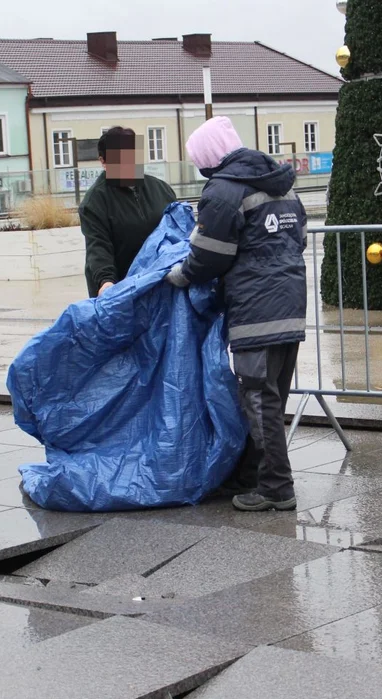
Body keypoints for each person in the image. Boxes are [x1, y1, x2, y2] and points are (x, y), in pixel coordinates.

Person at [166, 117, 308, 512]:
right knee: (271, 398)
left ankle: (277, 488)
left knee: (259, 399)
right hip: (290, 304)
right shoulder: (279, 183)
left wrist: (181, 275)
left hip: (256, 310)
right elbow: (299, 238)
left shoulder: (223, 190)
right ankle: (251, 477)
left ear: (209, 159)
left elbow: (211, 254)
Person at [79, 127, 177, 297]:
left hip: (162, 287)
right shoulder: (95, 202)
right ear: (103, 161)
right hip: (122, 292)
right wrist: (106, 281)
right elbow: (98, 247)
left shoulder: (161, 189)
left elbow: (178, 232)